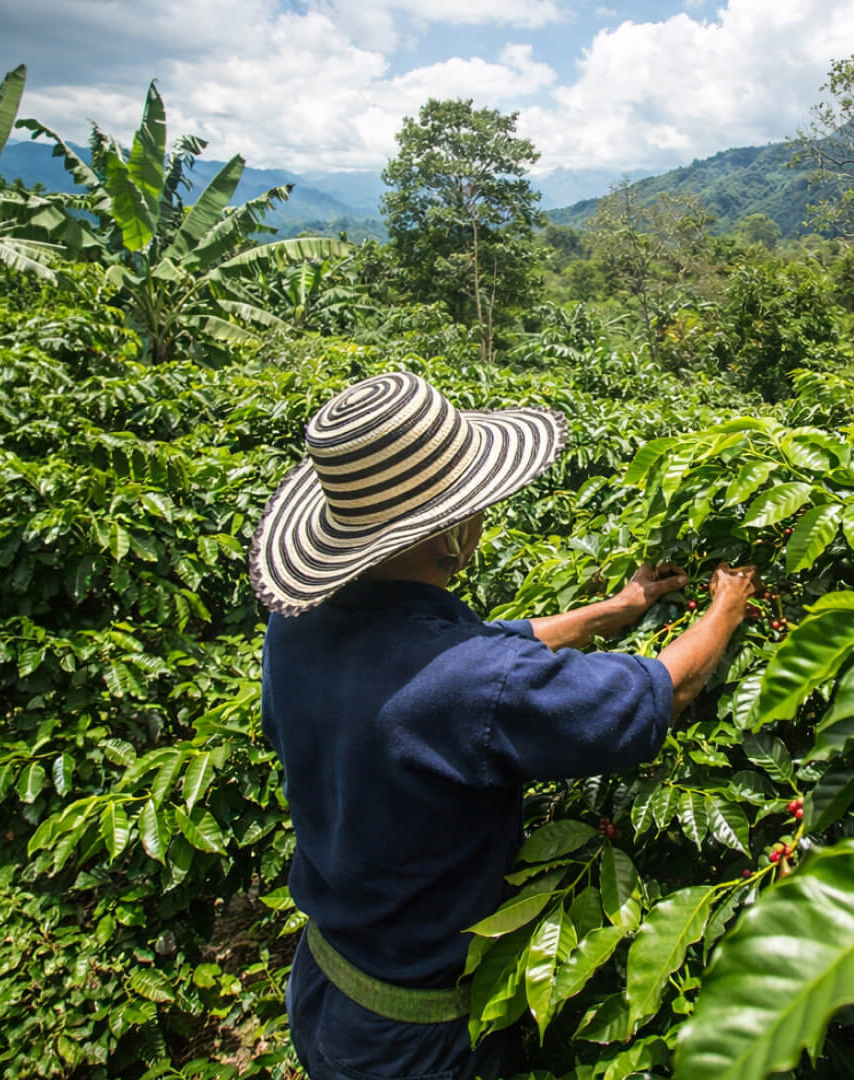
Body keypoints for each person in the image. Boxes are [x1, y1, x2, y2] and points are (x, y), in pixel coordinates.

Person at [247, 372, 761, 1080]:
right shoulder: (471, 684)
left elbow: (463, 652)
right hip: (416, 1041)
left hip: (324, 981)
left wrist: (612, 611)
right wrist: (726, 609)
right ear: (451, 535)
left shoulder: (297, 624)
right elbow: (665, 691)